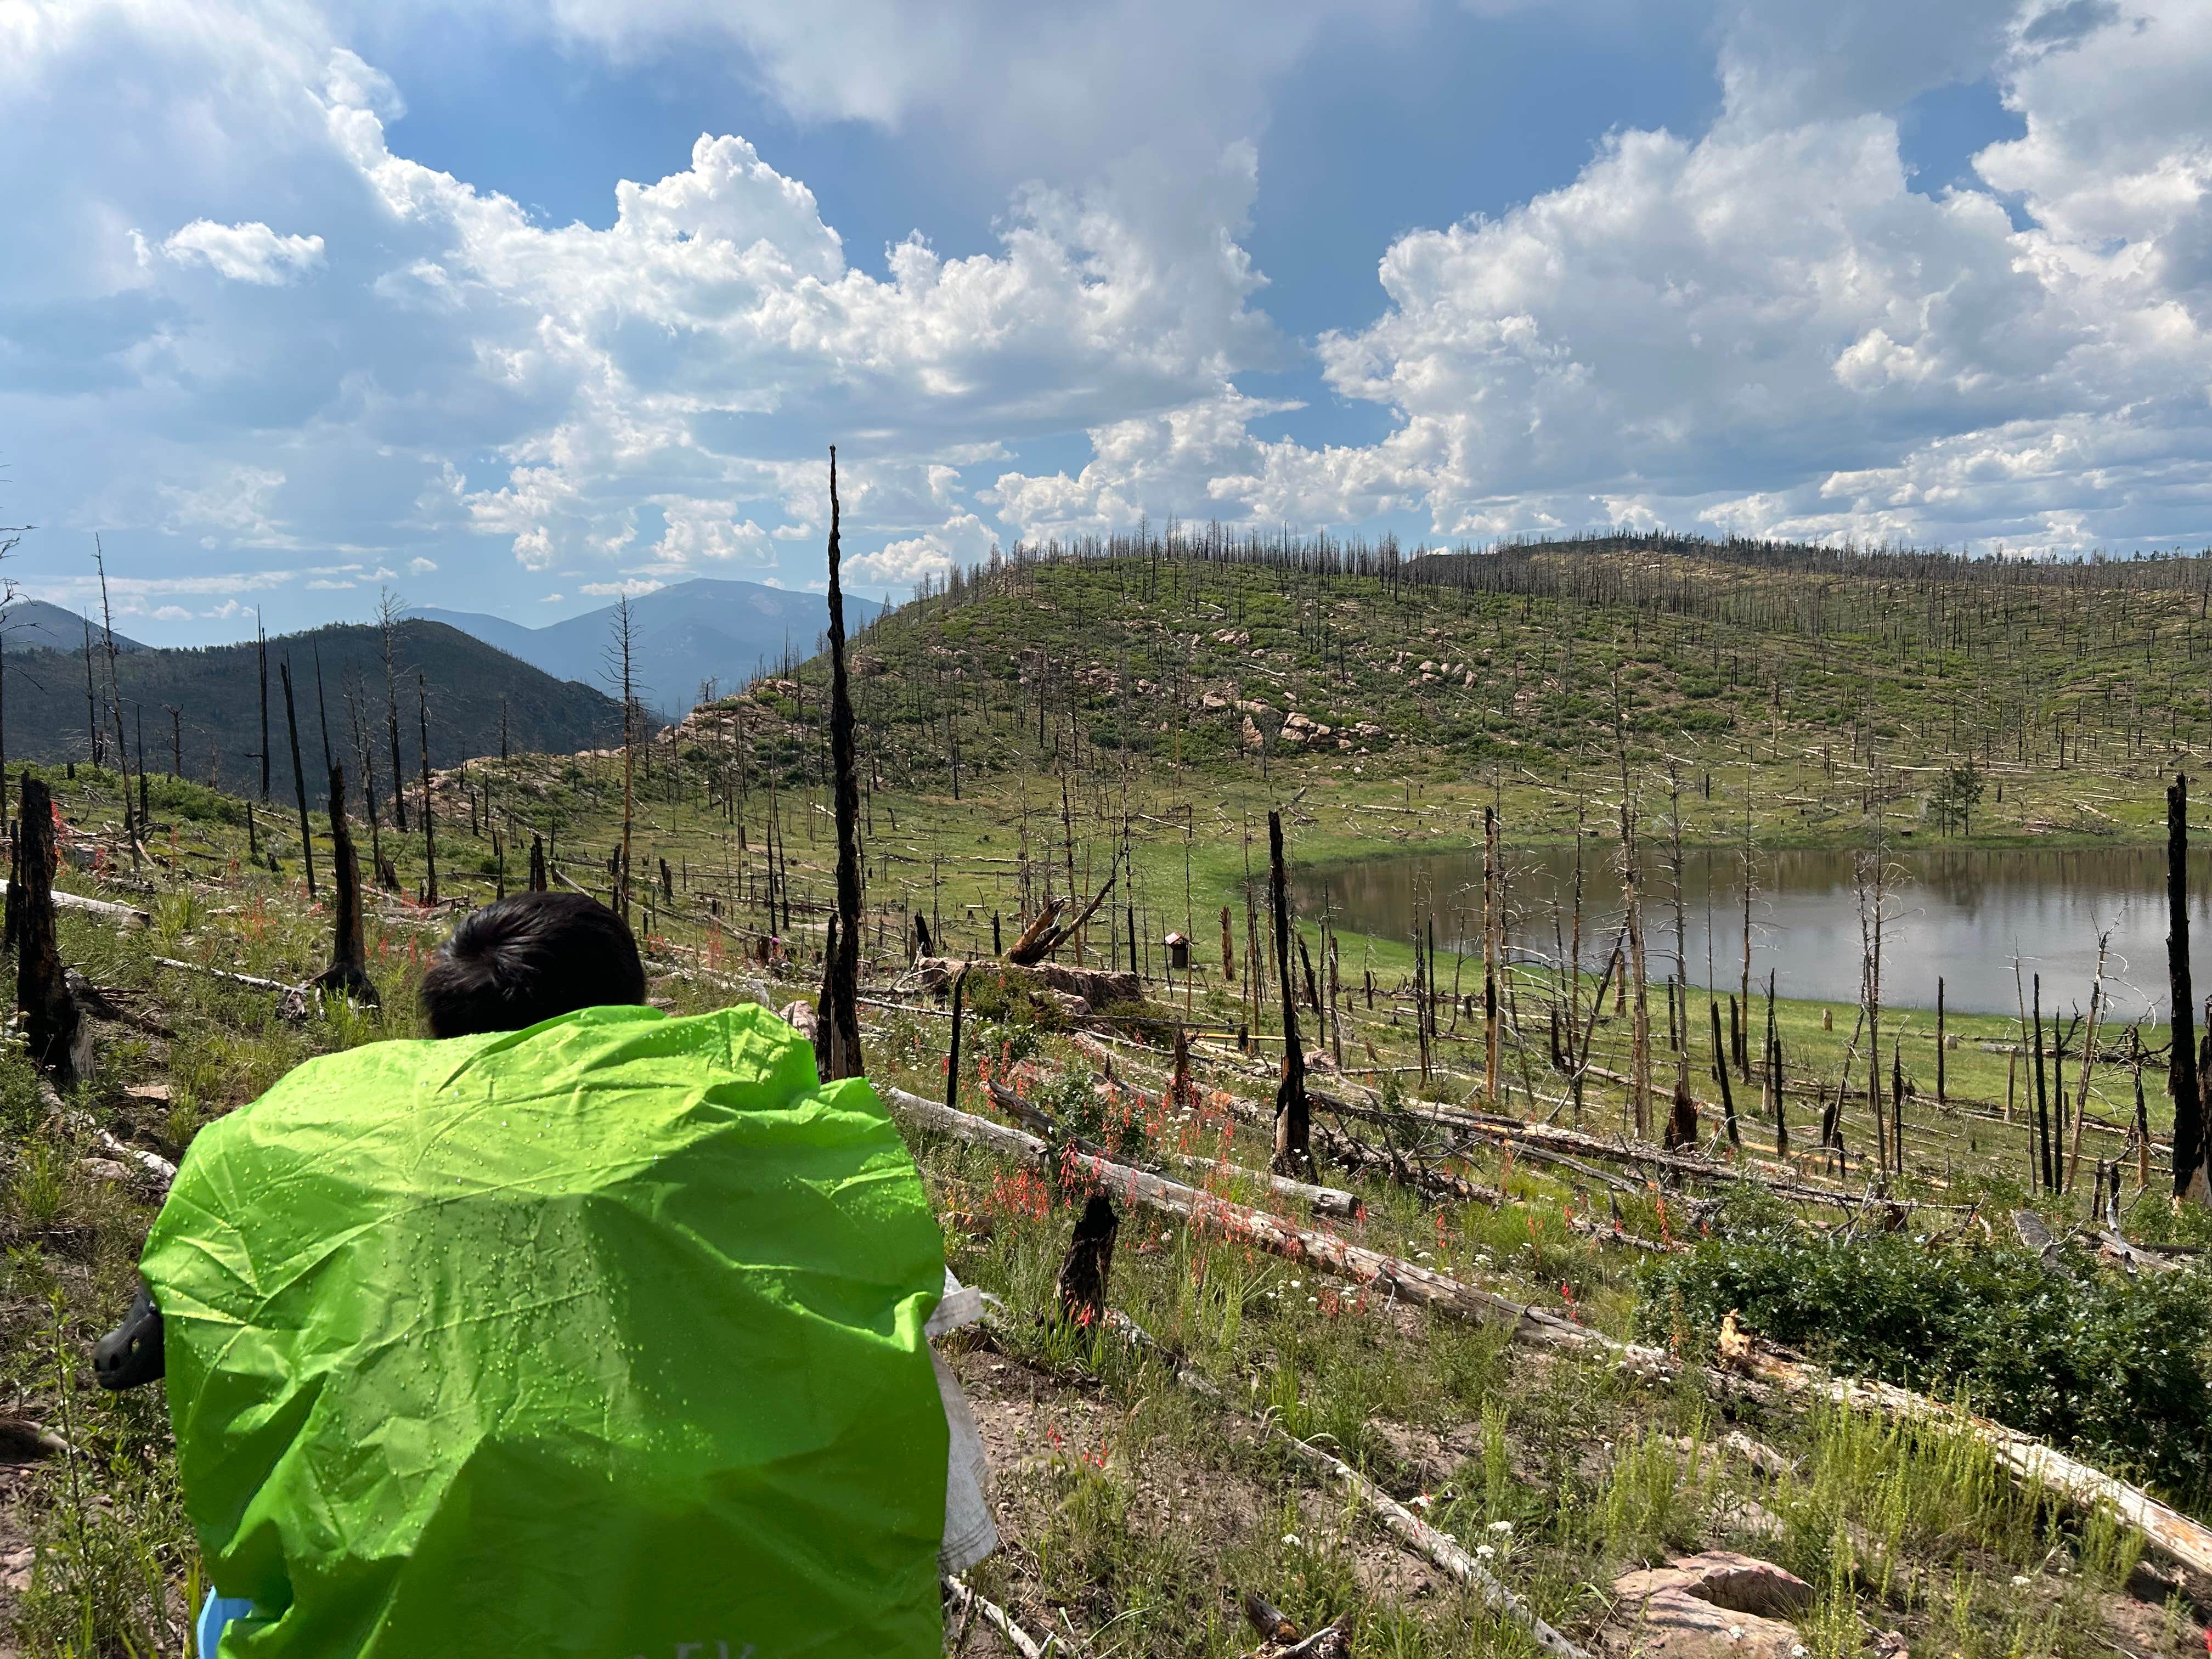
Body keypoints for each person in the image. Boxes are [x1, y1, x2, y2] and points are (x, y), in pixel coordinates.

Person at [106, 890, 992, 1658]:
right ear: (625, 1014)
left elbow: (212, 1241)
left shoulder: (322, 1123)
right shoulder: (742, 1118)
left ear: (449, 1024)